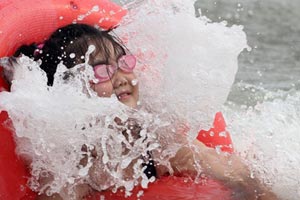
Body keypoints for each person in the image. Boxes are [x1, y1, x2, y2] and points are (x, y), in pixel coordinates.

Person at [13, 23, 278, 200]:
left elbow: (241, 174)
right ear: (71, 87)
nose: (121, 78)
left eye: (124, 63)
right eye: (103, 70)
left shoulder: (156, 140)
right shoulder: (66, 160)